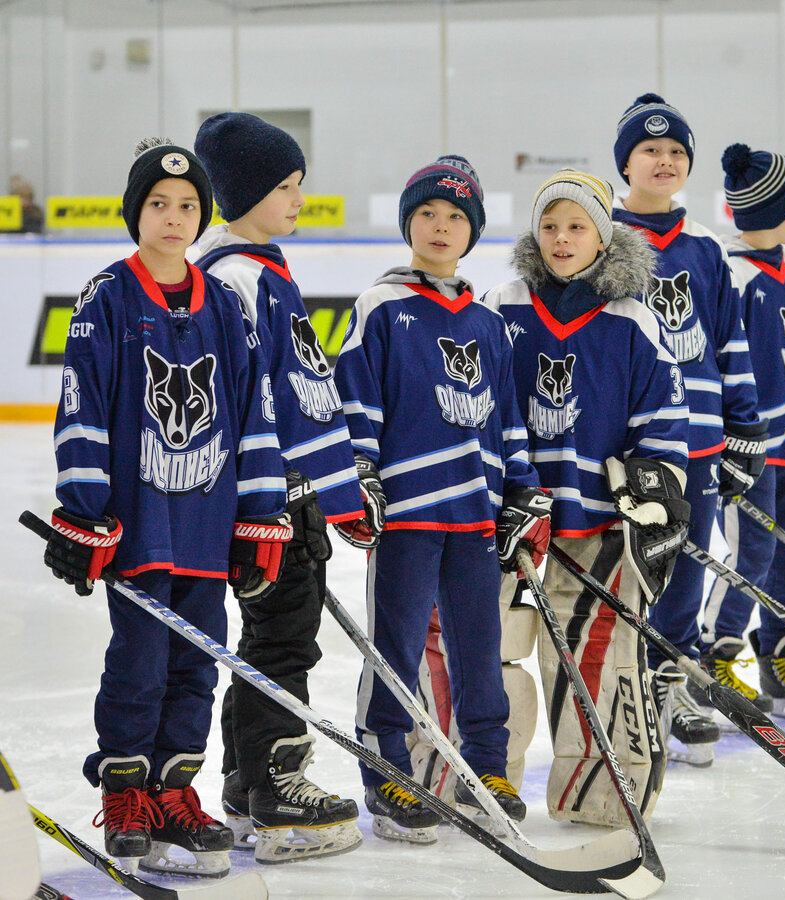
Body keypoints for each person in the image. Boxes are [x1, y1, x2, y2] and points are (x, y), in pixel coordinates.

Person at [41, 138, 291, 877]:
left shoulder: (225, 304)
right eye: (159, 204)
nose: (175, 217)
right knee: (141, 661)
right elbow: (80, 409)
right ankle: (126, 795)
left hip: (209, 530)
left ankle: (175, 791)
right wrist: (84, 512)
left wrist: (259, 515)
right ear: (136, 214)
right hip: (141, 527)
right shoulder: (107, 298)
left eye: (188, 207)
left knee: (197, 662)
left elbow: (255, 413)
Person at [334, 156, 546, 844]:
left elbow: (507, 416)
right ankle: (388, 770)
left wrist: (519, 490)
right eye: (427, 213)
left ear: (473, 232)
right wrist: (362, 472)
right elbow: (356, 399)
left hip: (475, 516)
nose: (441, 226)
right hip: (408, 515)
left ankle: (487, 767)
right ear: (407, 223)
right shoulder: (381, 307)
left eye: (456, 217)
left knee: (480, 650)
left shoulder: (487, 324)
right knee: (393, 648)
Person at [482, 169, 688, 824]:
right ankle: (487, 779)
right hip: (513, 523)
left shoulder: (633, 317)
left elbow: (662, 420)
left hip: (596, 525)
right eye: (549, 225)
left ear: (603, 236)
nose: (562, 238)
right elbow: (476, 404)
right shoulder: (502, 303)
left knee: (594, 661)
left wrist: (654, 487)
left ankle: (599, 791)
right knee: (497, 652)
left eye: (577, 226)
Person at [192, 112, 364, 863]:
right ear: (246, 192)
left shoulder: (249, 270)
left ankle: (244, 779)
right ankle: (275, 782)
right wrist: (343, 491)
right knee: (283, 634)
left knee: (271, 632)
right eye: (286, 186)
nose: (299, 199)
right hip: (272, 497)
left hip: (276, 493)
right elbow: (287, 396)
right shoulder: (241, 278)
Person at [611, 93, 765, 765]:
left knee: (686, 571)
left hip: (698, 439)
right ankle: (625, 685)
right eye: (650, 150)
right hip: (628, 443)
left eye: (677, 152)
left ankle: (670, 682)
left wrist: (745, 429)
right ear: (626, 162)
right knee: (628, 570)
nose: (665, 160)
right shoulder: (599, 236)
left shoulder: (706, 247)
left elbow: (731, 342)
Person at [693, 143, 785, 719]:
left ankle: (778, 654)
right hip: (754, 445)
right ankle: (714, 655)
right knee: (753, 553)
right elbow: (724, 361)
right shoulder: (734, 274)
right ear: (773, 209)